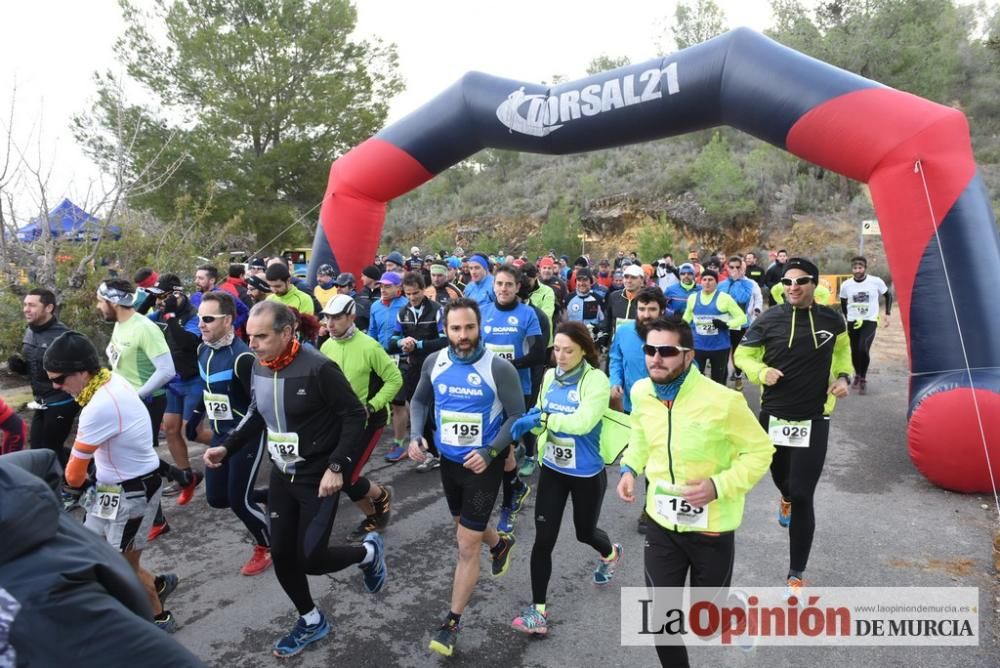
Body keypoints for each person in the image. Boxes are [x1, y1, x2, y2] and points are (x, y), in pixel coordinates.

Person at [204, 301, 387, 658]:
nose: (252, 344)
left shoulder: (319, 368)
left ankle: (368, 553)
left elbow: (353, 415)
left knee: (311, 558)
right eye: (249, 336)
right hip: (282, 474)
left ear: (287, 333)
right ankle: (311, 619)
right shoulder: (260, 365)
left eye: (261, 336)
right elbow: (258, 413)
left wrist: (337, 468)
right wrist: (227, 448)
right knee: (284, 554)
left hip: (319, 477)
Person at [617, 317, 774, 667]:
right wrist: (630, 467)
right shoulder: (642, 391)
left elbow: (761, 451)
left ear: (689, 356)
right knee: (662, 622)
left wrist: (719, 486)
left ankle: (734, 610)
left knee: (707, 624)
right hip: (661, 523)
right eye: (650, 350)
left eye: (667, 351)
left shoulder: (724, 401)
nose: (656, 358)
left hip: (711, 526)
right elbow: (642, 434)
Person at [0, 450, 205, 666]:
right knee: (108, 552)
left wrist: (56, 527)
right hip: (106, 489)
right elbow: (48, 458)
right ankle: (158, 583)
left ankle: (159, 615)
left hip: (125, 491)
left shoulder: (36, 598)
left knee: (122, 561)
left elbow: (71, 470)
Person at [407, 298, 524, 658]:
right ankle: (500, 543)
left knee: (465, 544)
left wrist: (490, 452)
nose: (463, 336)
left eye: (469, 328)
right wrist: (415, 435)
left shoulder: (499, 368)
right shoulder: (435, 361)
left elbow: (517, 418)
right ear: (446, 330)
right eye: (456, 329)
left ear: (480, 327)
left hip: (483, 467)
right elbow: (419, 401)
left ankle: (451, 623)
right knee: (462, 524)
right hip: (449, 462)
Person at [44, 331, 181, 632]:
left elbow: (73, 474)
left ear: (81, 372)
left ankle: (160, 618)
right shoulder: (108, 380)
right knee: (95, 549)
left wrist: (69, 492)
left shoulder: (99, 406)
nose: (55, 386)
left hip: (134, 493)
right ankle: (157, 584)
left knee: (121, 567)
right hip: (114, 487)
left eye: (59, 379)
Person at [734, 257, 852, 601]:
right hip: (774, 415)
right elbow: (743, 356)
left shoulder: (833, 319)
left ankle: (796, 571)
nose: (793, 287)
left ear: (815, 284)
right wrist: (760, 373)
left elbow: (842, 355)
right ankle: (783, 496)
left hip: (814, 417)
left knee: (803, 493)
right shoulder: (769, 319)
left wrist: (843, 377)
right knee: (782, 480)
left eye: (800, 281)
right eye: (787, 283)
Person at [509, 322, 623, 637]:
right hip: (553, 470)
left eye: (568, 350)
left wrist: (545, 418)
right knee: (543, 540)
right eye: (556, 349)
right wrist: (529, 425)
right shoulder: (549, 377)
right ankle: (538, 612)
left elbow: (584, 422)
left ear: (584, 350)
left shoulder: (595, 381)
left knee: (584, 533)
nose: (560, 356)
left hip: (586, 472)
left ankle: (610, 553)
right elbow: (540, 415)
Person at [98, 279, 189, 541]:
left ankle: (157, 519)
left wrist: (136, 396)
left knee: (140, 461)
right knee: (136, 458)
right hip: (125, 401)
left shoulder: (144, 328)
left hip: (145, 403)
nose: (98, 306)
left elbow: (167, 371)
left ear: (113, 302)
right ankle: (181, 477)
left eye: (100, 301)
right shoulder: (120, 323)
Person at [191, 291, 272, 576]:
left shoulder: (243, 358)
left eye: (208, 319)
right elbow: (208, 389)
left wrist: (237, 438)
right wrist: (195, 418)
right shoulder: (204, 350)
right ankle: (268, 496)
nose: (201, 324)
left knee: (239, 501)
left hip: (245, 436)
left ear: (227, 321)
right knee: (217, 498)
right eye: (199, 318)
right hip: (220, 433)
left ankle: (266, 545)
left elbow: (259, 406)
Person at [320, 295, 400, 540]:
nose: (330, 323)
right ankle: (374, 515)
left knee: (348, 476)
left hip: (369, 422)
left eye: (336, 318)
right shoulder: (326, 346)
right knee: (342, 476)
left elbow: (395, 379)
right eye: (327, 317)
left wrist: (372, 406)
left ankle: (380, 498)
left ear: (351, 317)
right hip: (338, 422)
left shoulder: (370, 346)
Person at [481, 265, 539, 532]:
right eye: (499, 284)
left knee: (504, 447)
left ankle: (508, 503)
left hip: (517, 389)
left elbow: (537, 355)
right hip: (488, 390)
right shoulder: (484, 312)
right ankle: (514, 488)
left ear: (518, 287)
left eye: (508, 284)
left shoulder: (528, 315)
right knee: (502, 449)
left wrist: (506, 366)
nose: (503, 288)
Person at [146, 274, 205, 505]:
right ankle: (186, 476)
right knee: (170, 430)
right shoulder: (158, 315)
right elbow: (135, 320)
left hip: (194, 379)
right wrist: (150, 303)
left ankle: (230, 446)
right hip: (173, 381)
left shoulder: (193, 315)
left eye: (163, 296)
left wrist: (170, 315)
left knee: (193, 432)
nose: (160, 302)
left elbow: (187, 343)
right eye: (157, 297)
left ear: (177, 294)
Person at [7, 288, 78, 468]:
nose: (26, 309)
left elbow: (79, 373)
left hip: (62, 401)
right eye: (25, 305)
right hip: (41, 401)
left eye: (32, 305)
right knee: (38, 448)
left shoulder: (63, 336)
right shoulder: (30, 331)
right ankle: (86, 469)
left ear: (48, 308)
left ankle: (80, 482)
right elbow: (37, 369)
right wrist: (21, 368)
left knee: (50, 449)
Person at [390, 272, 448, 471]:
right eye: (408, 294)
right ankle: (431, 453)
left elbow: (445, 340)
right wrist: (401, 342)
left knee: (436, 410)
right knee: (419, 409)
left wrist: (419, 345)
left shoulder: (437, 310)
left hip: (436, 366)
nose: (412, 297)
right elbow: (391, 341)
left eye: (416, 293)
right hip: (414, 368)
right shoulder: (402, 312)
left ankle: (447, 451)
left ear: (424, 290)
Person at [368, 271, 410, 461]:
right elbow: (372, 332)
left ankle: (399, 443)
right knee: (380, 400)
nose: (383, 290)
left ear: (398, 288)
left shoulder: (406, 305)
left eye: (387, 286)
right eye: (381, 286)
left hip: (402, 358)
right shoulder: (375, 306)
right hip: (380, 358)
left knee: (398, 402)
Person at [682, 269, 747, 385]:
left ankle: (719, 402)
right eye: (704, 279)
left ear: (716, 283)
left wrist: (726, 325)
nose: (707, 282)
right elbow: (686, 319)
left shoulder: (725, 298)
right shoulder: (692, 298)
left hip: (719, 347)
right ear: (700, 282)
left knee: (719, 381)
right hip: (698, 346)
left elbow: (742, 318)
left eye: (710, 280)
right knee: (696, 380)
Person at [839, 256, 891, 395]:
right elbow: (843, 302)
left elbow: (888, 295)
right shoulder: (846, 285)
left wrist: (887, 314)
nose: (857, 270)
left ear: (865, 268)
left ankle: (863, 378)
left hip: (869, 320)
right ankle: (857, 375)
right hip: (853, 321)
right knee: (855, 351)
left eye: (860, 268)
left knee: (863, 348)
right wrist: (846, 318)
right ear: (852, 269)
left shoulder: (875, 281)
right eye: (855, 268)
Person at [610, 288, 666, 414]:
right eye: (642, 309)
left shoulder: (673, 335)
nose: (646, 315)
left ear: (662, 311)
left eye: (652, 309)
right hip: (629, 404)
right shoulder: (623, 331)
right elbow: (616, 359)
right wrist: (615, 382)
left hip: (660, 406)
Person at [718, 257, 764, 391]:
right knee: (723, 351)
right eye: (731, 267)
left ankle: (738, 375)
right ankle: (721, 381)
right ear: (727, 268)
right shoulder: (722, 284)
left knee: (737, 351)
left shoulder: (751, 283)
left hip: (742, 324)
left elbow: (756, 297)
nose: (735, 270)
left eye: (738, 267)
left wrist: (757, 309)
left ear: (743, 268)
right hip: (724, 324)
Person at [605, 264, 647, 344]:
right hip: (616, 347)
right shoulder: (614, 296)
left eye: (633, 277)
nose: (629, 280)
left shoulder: (648, 299)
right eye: (626, 277)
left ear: (642, 280)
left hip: (638, 347)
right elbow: (608, 321)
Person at [565, 269, 605, 345]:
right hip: (573, 341)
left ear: (590, 282)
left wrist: (599, 335)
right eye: (579, 280)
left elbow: (604, 322)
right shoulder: (568, 298)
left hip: (592, 342)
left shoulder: (598, 299)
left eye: (585, 280)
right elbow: (563, 322)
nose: (581, 283)